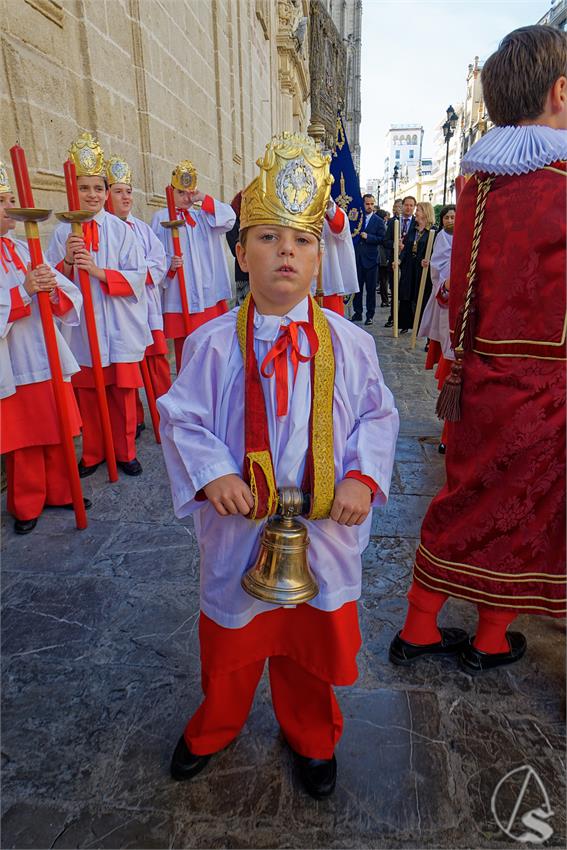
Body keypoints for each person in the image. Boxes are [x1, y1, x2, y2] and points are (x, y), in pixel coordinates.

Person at [158, 132, 399, 799]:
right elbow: (180, 416)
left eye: (299, 240)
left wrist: (361, 476)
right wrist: (213, 472)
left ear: (320, 257)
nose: (283, 252)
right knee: (231, 645)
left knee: (309, 650)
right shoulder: (209, 344)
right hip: (239, 528)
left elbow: (378, 417)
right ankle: (215, 726)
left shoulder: (349, 346)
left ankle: (312, 735)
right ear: (240, 253)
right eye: (266, 238)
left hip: (323, 531)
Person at [390, 25, 567, 673]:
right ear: (558, 90)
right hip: (547, 386)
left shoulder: (479, 180)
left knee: (467, 497)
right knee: (525, 511)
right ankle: (483, 637)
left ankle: (424, 628)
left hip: (476, 374)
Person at [46, 132, 149, 478]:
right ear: (72, 190)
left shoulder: (122, 232)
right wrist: (68, 265)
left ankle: (124, 451)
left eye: (98, 188)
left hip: (117, 325)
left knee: (121, 393)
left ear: (106, 192)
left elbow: (138, 276)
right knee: (89, 394)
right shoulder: (62, 232)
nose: (92, 194)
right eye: (85, 187)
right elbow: (52, 279)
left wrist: (99, 271)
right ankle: (93, 453)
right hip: (84, 331)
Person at [0, 160, 87, 534]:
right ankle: (26, 504)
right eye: (3, 200)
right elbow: (17, 296)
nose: (10, 206)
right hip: (14, 357)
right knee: (24, 438)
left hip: (45, 348)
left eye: (10, 198)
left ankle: (63, 491)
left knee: (57, 427)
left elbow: (61, 290)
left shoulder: (22, 247)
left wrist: (53, 285)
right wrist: (24, 291)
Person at [151, 160, 236, 372]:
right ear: (171, 192)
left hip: (208, 294)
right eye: (181, 193)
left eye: (190, 193)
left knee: (211, 343)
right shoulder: (161, 218)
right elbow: (154, 254)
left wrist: (202, 199)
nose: (186, 198)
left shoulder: (204, 216)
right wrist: (169, 265)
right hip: (181, 296)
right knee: (186, 350)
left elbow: (230, 219)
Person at [106, 156, 170, 435]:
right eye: (119, 191)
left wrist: (133, 278)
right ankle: (135, 423)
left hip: (147, 308)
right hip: (118, 312)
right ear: (107, 195)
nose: (126, 197)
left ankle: (166, 419)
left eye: (129, 191)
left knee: (157, 366)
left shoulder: (142, 229)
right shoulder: (101, 230)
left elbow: (159, 261)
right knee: (126, 373)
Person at [418, 204, 456, 453]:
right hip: (455, 308)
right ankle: (449, 430)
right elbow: (440, 274)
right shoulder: (443, 238)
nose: (452, 220)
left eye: (455, 216)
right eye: (448, 216)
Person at [312, 197, 359, 316]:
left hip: (328, 277)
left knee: (332, 325)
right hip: (302, 277)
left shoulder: (332, 212)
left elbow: (339, 226)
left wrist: (328, 205)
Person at [396, 201, 436, 333]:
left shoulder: (433, 232)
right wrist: (399, 261)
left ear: (425, 213)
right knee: (407, 294)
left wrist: (429, 261)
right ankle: (407, 323)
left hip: (422, 269)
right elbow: (406, 249)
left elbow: (435, 252)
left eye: (418, 210)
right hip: (409, 267)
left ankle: (423, 326)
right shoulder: (413, 229)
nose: (415, 212)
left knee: (421, 296)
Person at [352, 193, 385, 326]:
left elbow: (382, 239)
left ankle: (370, 315)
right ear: (363, 203)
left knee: (371, 289)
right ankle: (358, 312)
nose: (369, 206)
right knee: (357, 288)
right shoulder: (356, 218)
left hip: (371, 260)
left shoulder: (378, 221)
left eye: (372, 204)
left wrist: (369, 237)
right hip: (357, 259)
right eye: (367, 204)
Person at [383, 197, 408, 328]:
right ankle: (393, 317)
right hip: (394, 262)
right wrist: (395, 244)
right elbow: (385, 241)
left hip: (408, 264)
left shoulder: (415, 223)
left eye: (411, 205)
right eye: (405, 205)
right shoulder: (393, 222)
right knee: (394, 291)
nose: (407, 208)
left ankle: (404, 320)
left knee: (406, 292)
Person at [225, 191, 249, 304]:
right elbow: (235, 249)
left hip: (257, 273)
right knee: (243, 307)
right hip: (242, 274)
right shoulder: (233, 222)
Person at [376, 209, 391, 308]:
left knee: (383, 279)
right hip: (383, 257)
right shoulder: (384, 226)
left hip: (380, 256)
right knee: (384, 279)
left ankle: (384, 299)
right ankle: (385, 300)